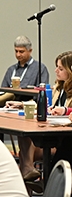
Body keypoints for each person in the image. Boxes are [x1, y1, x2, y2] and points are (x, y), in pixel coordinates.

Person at [17, 51, 72, 180]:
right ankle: (29, 174)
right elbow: (46, 106)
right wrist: (20, 104)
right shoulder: (58, 88)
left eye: (60, 68)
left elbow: (67, 110)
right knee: (25, 149)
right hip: (54, 131)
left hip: (63, 139)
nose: (56, 71)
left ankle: (34, 176)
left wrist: (65, 110)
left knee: (26, 156)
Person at [0, 36, 50, 107]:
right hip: (8, 106)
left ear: (30, 51)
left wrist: (22, 104)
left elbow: (42, 94)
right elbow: (3, 92)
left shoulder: (40, 68)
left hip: (29, 107)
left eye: (21, 52)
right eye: (16, 51)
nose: (18, 54)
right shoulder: (11, 69)